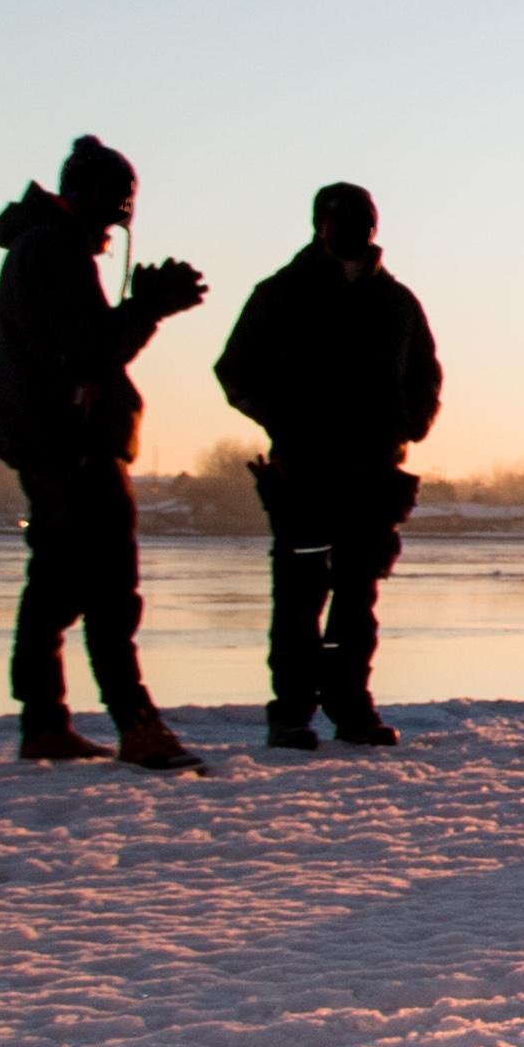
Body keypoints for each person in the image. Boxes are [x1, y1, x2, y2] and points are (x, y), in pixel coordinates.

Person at [0, 133, 211, 769]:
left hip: (53, 447)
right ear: (91, 199)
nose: (116, 226)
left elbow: (81, 347)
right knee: (109, 590)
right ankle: (134, 725)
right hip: (72, 450)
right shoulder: (53, 251)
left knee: (55, 588)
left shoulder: (42, 248)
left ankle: (45, 723)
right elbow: (88, 352)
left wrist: (139, 310)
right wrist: (147, 309)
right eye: (115, 209)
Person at [214, 181, 445, 750]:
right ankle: (291, 712)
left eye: (363, 221)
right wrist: (286, 424)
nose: (353, 231)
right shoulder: (280, 295)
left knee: (355, 599)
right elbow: (234, 373)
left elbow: (426, 376)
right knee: (299, 597)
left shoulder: (397, 303)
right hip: (305, 478)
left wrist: (409, 426)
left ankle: (350, 706)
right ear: (319, 224)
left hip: (372, 481)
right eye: (340, 220)